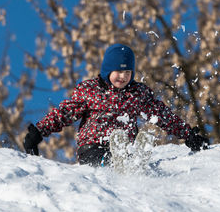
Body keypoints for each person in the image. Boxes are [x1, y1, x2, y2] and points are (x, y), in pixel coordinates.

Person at [23, 43, 209, 167]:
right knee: (105, 156)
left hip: (125, 145)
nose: (123, 76)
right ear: (107, 70)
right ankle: (118, 160)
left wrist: (188, 134)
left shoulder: (137, 93)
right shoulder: (90, 90)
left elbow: (160, 114)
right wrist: (39, 131)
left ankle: (133, 160)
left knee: (125, 150)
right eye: (118, 72)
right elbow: (65, 113)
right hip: (92, 147)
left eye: (128, 72)